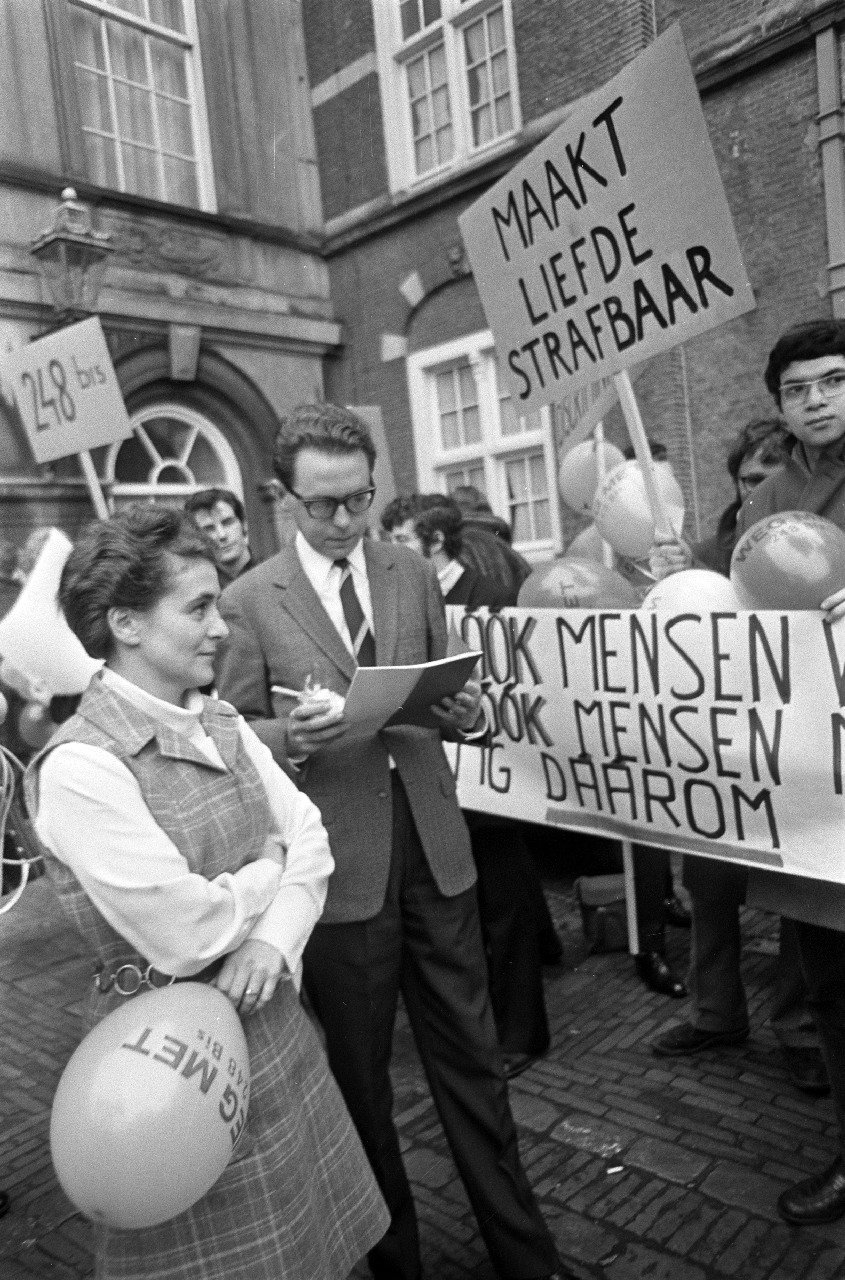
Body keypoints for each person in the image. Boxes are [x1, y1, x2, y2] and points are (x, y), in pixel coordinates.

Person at [215, 404, 568, 1280]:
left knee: (476, 1069)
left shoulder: (409, 571)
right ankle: (392, 1260)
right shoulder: (248, 599)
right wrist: (287, 738)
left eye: (358, 500)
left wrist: (467, 713)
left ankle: (526, 1256)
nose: (343, 522)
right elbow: (230, 734)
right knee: (361, 1085)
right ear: (282, 497)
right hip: (338, 875)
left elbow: (454, 695)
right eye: (322, 505)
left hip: (438, 854)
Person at [24, 504, 389, 1279]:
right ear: (125, 624)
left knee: (314, 1249)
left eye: (217, 603)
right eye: (197, 607)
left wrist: (269, 940)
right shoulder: (80, 768)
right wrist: (267, 870)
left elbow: (313, 842)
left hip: (275, 1034)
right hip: (165, 1075)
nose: (222, 626)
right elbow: (185, 935)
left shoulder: (220, 718)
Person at [654, 319, 845, 1225]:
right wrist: (675, 581)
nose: (815, 401)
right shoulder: (774, 498)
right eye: (798, 389)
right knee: (828, 982)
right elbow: (726, 596)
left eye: (832, 382)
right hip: (811, 785)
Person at [650, 418, 827, 1099]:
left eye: (769, 478)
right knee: (709, 887)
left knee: (796, 893)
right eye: (748, 480)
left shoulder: (811, 544)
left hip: (796, 749)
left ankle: (798, 1029)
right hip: (717, 752)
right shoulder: (706, 548)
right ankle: (714, 1011)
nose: (759, 491)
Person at [381, 494, 551, 1076]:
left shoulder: (493, 601)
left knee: (507, 903)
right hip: (441, 781)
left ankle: (522, 1032)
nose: (391, 554)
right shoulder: (401, 601)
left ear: (435, 543)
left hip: (497, 783)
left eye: (403, 541)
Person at [184, 487, 254, 582]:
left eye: (227, 523)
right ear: (197, 537)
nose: (222, 535)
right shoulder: (199, 590)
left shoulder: (272, 572)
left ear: (244, 524)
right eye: (209, 528)